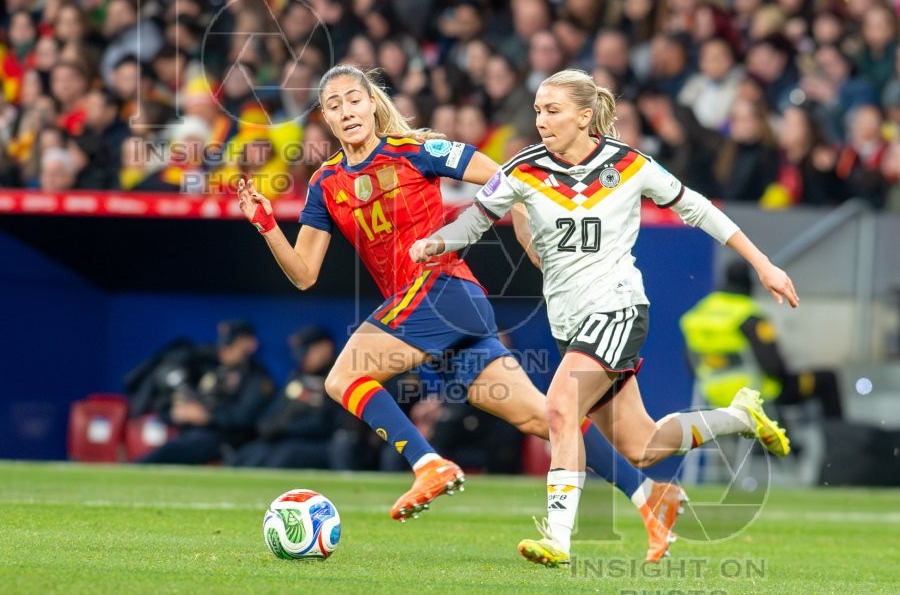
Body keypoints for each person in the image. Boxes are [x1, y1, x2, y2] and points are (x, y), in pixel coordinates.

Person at [237, 64, 685, 561]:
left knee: (343, 379)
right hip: (443, 310)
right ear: (324, 117)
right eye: (334, 105)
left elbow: (505, 177)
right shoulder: (326, 183)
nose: (346, 111)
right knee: (546, 417)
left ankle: (428, 463)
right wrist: (265, 226)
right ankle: (650, 496)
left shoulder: (417, 150)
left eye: (353, 99)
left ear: (372, 103)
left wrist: (523, 229)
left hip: (441, 288)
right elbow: (304, 274)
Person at [409, 69, 798, 568]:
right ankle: (741, 417)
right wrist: (438, 241)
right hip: (570, 324)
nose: (541, 119)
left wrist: (763, 263)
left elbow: (698, 209)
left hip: (617, 307)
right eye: (537, 110)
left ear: (584, 116)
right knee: (642, 447)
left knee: (558, 407)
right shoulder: (524, 169)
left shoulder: (629, 165)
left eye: (552, 110)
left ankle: (558, 537)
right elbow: (476, 219)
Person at [680, 260, 843, 419]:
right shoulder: (749, 315)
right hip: (755, 394)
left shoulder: (698, 314)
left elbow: (691, 363)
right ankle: (839, 443)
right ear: (750, 284)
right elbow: (773, 367)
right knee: (827, 380)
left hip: (712, 394)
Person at [138, 320, 275, 465]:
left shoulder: (257, 377)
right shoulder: (211, 367)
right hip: (193, 433)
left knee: (172, 451)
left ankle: (134, 469)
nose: (224, 350)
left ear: (249, 344)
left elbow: (244, 417)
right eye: (224, 345)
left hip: (226, 440)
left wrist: (207, 416)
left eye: (231, 345)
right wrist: (179, 412)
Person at [228, 325, 344, 468]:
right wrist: (273, 426)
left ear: (325, 347)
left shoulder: (337, 377)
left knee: (284, 456)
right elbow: (275, 411)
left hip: (321, 443)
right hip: (286, 440)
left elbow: (328, 423)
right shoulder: (297, 377)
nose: (302, 359)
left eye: (306, 352)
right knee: (249, 453)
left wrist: (287, 427)